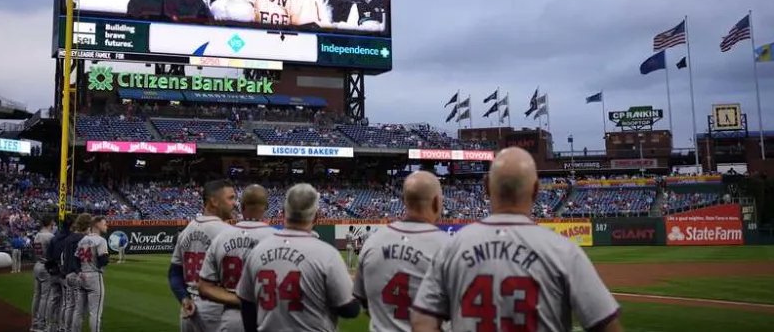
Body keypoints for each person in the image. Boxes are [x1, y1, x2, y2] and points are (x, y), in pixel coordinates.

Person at [411, 148, 624, 332]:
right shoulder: (563, 250)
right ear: (536, 189)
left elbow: (422, 321)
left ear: (486, 186)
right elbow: (606, 323)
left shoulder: (452, 248)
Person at [236, 183, 360, 332]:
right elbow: (349, 310)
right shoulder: (328, 254)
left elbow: (247, 305)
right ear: (317, 217)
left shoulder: (258, 251)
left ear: (283, 213)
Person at [353, 171, 449, 332]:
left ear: (404, 201)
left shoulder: (373, 242)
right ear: (436, 202)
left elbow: (364, 302)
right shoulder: (449, 247)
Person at [199, 185, 276, 332]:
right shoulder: (278, 239)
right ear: (266, 206)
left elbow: (204, 287)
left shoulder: (221, 238)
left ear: (241, 206)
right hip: (269, 317)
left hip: (233, 319)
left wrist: (240, 300)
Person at [169, 180, 237, 332]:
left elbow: (174, 274)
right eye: (230, 198)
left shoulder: (186, 231)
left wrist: (184, 298)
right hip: (218, 311)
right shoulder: (229, 233)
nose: (235, 203)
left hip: (189, 310)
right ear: (213, 201)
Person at [71, 216, 109, 332]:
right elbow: (103, 261)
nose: (106, 225)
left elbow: (75, 259)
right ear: (97, 224)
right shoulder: (101, 240)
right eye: (104, 223)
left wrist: (79, 272)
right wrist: (107, 257)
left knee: (78, 311)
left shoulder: (83, 239)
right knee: (95, 312)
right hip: (94, 276)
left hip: (82, 275)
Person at [60, 214, 92, 332]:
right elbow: (84, 260)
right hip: (78, 274)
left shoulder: (69, 238)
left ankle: (65, 328)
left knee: (70, 305)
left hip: (67, 274)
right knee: (79, 309)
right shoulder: (84, 239)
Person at [44, 214, 76, 332]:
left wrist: (52, 268)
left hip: (53, 272)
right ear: (72, 225)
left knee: (53, 300)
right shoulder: (72, 239)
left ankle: (50, 326)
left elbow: (48, 256)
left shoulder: (55, 237)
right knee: (66, 303)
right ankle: (62, 327)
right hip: (64, 273)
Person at [30, 215, 56, 332]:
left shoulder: (37, 235)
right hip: (46, 266)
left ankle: (34, 323)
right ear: (50, 223)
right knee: (45, 297)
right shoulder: (50, 236)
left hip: (37, 265)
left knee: (37, 295)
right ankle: (41, 325)